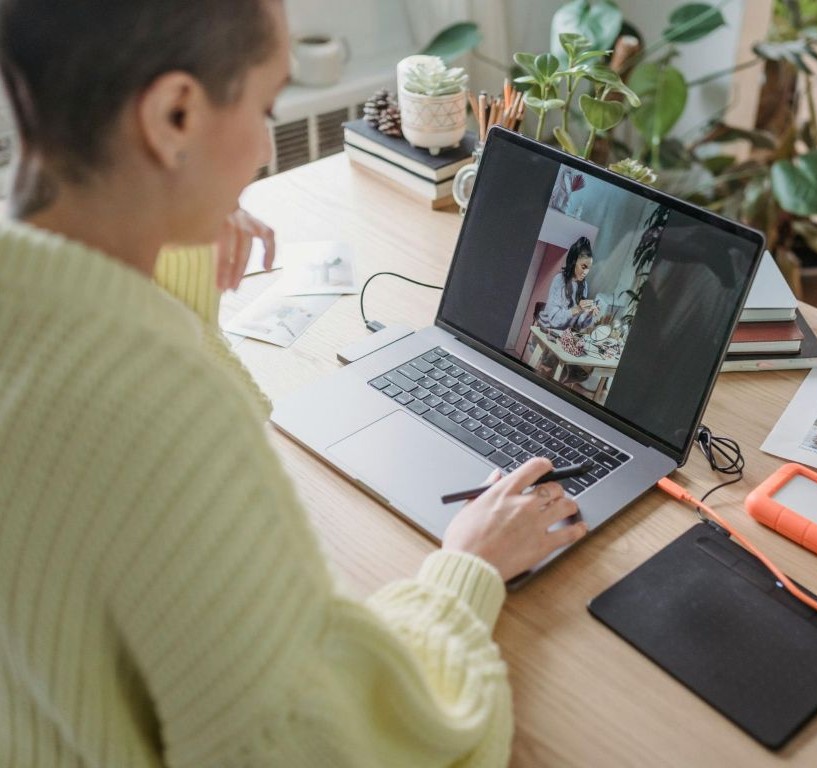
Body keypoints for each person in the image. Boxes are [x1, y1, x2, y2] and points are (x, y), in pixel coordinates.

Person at [0, 1, 586, 766]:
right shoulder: (162, 409)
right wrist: (466, 572)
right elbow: (317, 742)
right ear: (174, 115)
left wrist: (165, 219)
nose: (260, 152)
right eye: (265, 106)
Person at [539, 236, 601, 331]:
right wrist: (578, 309)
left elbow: (578, 324)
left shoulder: (584, 286)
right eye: (583, 267)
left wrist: (588, 314)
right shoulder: (559, 280)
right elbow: (554, 320)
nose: (586, 272)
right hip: (546, 331)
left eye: (589, 268)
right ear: (574, 262)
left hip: (562, 335)